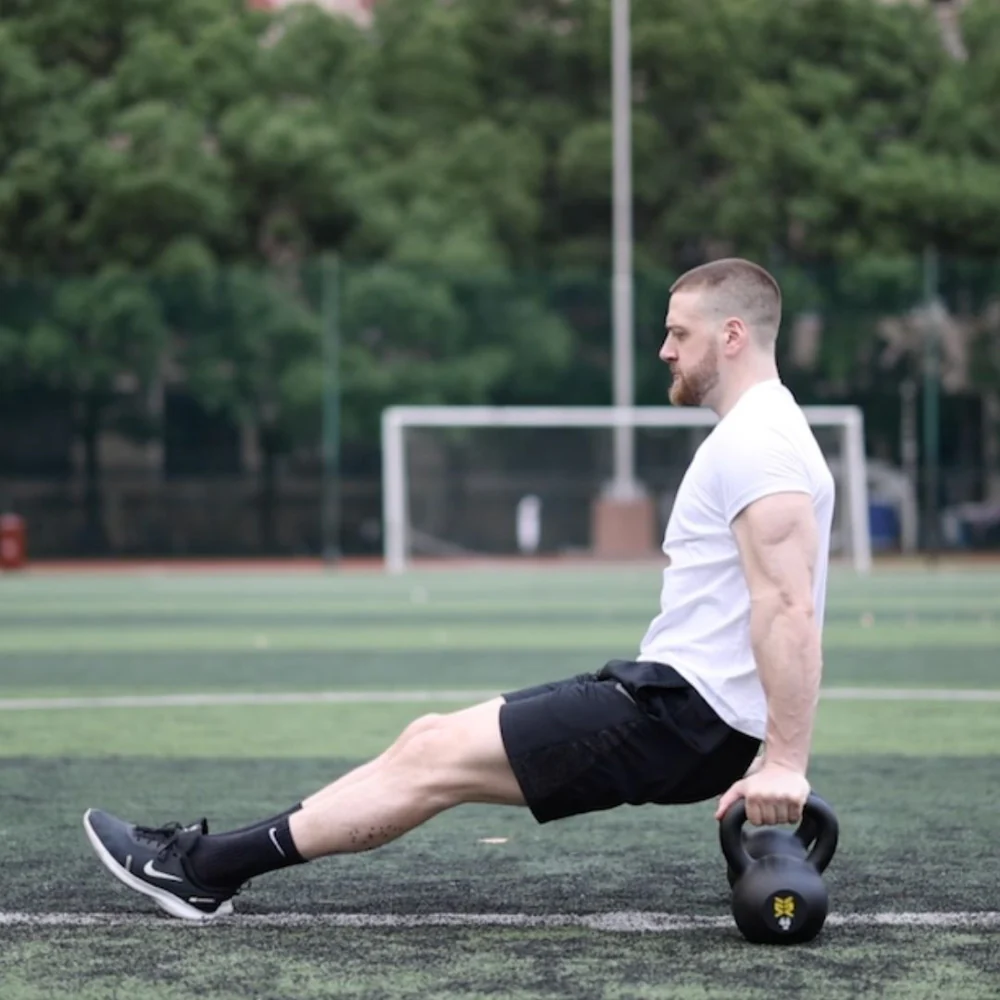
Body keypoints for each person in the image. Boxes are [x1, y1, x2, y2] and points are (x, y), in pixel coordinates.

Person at [82, 257, 835, 923]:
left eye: (680, 333)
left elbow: (787, 605)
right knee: (428, 740)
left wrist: (784, 763)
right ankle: (205, 863)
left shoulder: (757, 441)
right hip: (676, 701)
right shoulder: (759, 431)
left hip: (689, 717)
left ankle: (200, 870)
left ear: (732, 335)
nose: (664, 349)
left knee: (435, 759)